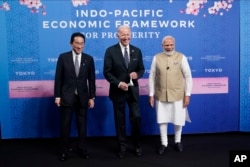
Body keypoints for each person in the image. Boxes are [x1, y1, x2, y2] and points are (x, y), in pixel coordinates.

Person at [103, 25, 145, 158]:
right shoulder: (110, 51)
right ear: (118, 36)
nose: (126, 37)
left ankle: (137, 145)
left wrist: (137, 75)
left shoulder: (137, 51)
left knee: (136, 118)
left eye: (128, 34)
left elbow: (141, 69)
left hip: (133, 92)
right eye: (123, 35)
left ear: (131, 35)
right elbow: (107, 72)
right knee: (119, 121)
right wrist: (118, 83)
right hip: (118, 91)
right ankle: (122, 147)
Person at [54, 32, 96, 161]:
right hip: (67, 96)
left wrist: (92, 97)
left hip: (83, 97)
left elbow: (92, 79)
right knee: (65, 125)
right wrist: (57, 96)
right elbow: (58, 78)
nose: (79, 46)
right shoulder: (63, 57)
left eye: (82, 43)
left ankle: (82, 149)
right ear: (71, 43)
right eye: (77, 43)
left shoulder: (89, 59)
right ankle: (64, 151)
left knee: (82, 125)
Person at [148, 35, 193, 155]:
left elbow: (188, 76)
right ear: (162, 46)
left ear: (174, 45)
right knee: (162, 120)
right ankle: (164, 143)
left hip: (178, 94)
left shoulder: (181, 57)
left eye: (171, 45)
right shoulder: (157, 57)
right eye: (166, 45)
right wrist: (151, 95)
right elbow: (152, 76)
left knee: (178, 119)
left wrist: (187, 94)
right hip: (161, 94)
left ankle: (178, 141)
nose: (169, 47)